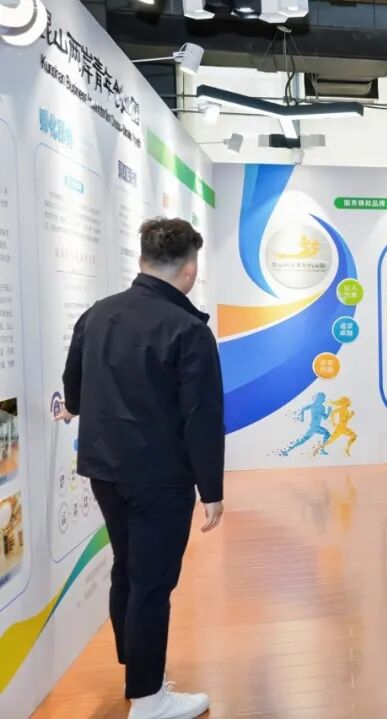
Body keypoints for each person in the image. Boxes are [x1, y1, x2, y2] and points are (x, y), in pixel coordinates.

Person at [58, 217, 223, 719]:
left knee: (128, 571)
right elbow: (201, 417)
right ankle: (149, 698)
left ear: (142, 259)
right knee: (152, 583)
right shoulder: (188, 329)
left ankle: (138, 672)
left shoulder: (97, 314)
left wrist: (78, 407)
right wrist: (211, 490)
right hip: (160, 477)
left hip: (106, 470)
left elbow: (73, 385)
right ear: (189, 269)